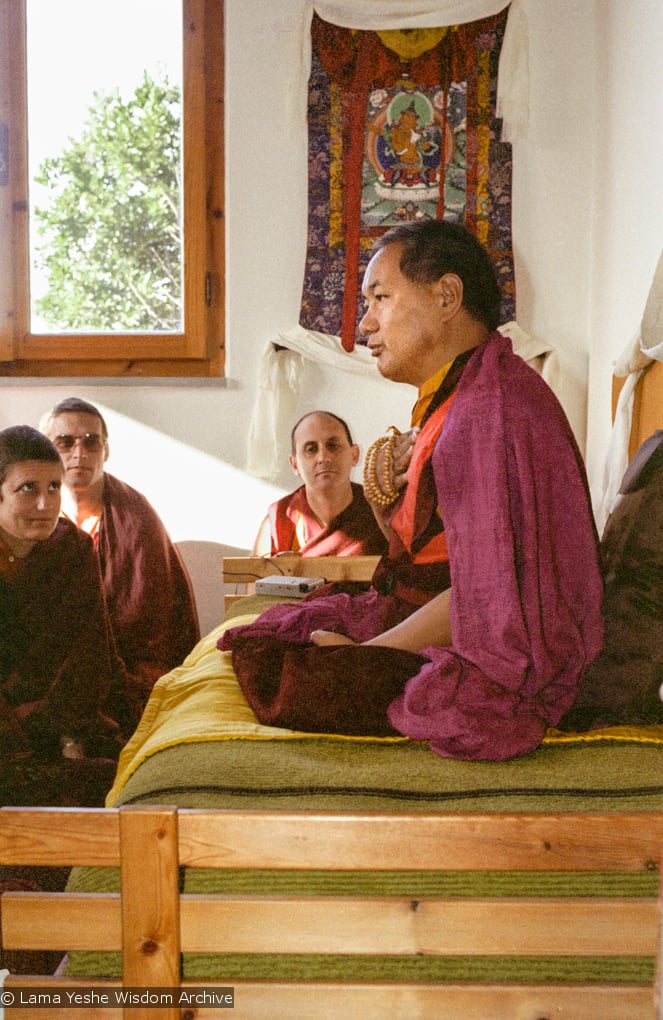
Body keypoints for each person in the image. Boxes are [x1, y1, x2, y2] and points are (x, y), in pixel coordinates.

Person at [219, 220, 604, 762]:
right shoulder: (459, 396)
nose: (365, 324)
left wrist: (364, 655)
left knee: (291, 677)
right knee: (274, 633)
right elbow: (434, 558)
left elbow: (487, 598)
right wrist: (383, 508)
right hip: (436, 614)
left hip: (493, 649)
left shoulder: (488, 413)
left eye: (380, 298)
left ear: (447, 296)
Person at [40, 398, 199, 721]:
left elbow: (157, 625)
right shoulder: (34, 512)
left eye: (91, 442)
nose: (79, 453)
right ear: (48, 450)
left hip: (127, 667)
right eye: (65, 442)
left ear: (106, 451)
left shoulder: (136, 516)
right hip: (51, 663)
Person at [0, 426, 127, 806]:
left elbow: (90, 656)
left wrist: (65, 734)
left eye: (54, 488)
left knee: (107, 783)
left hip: (58, 720)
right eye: (28, 489)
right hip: (7, 726)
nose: (45, 504)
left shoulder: (72, 550)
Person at [253, 410, 388, 557]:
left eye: (333, 446)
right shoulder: (279, 521)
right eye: (311, 449)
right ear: (295, 465)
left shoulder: (379, 511)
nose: (323, 457)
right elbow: (256, 578)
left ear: (354, 454)